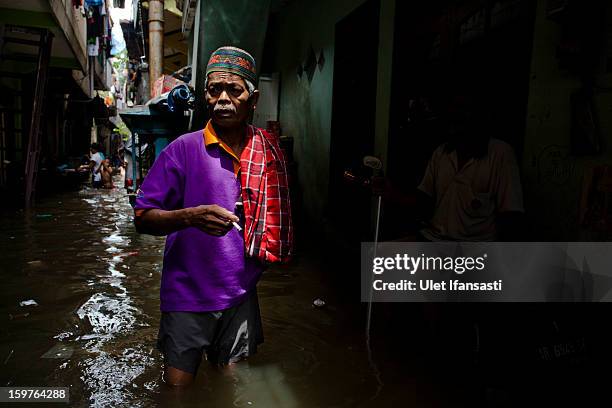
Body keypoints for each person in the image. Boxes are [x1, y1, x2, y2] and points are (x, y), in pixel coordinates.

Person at [133, 46, 293, 387]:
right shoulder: (184, 149)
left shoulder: (267, 152)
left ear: (253, 99)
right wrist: (190, 216)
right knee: (178, 390)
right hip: (187, 294)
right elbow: (142, 217)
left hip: (241, 293)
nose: (223, 99)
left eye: (234, 90)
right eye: (214, 90)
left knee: (234, 388)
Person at [416, 95, 524, 241]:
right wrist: (390, 193)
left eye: (463, 110)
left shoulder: (500, 154)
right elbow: (423, 200)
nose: (455, 116)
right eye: (452, 110)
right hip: (435, 241)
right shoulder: (442, 152)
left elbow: (511, 214)